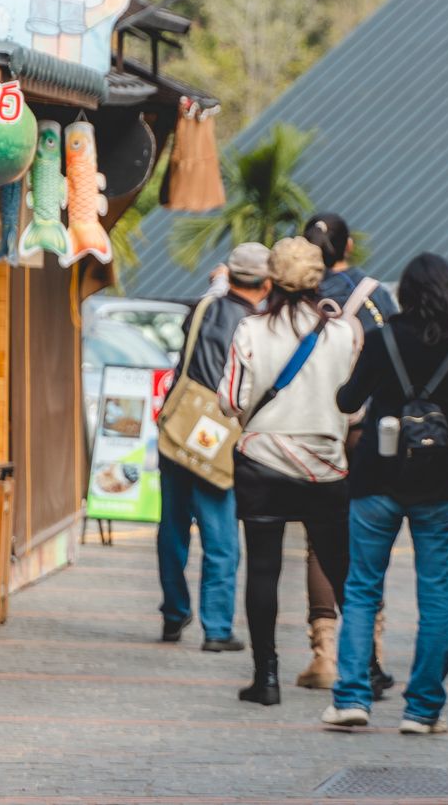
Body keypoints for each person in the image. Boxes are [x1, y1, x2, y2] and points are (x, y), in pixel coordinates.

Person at [321, 253, 448, 734]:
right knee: (434, 595)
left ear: (407, 294)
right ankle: (423, 709)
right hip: (438, 483)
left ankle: (351, 698)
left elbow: (348, 401)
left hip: (376, 477)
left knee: (362, 589)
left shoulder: (381, 338)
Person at [219, 236, 360, 706]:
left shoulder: (251, 330)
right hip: (325, 467)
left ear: (271, 278)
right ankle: (364, 672)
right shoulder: (344, 333)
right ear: (317, 279)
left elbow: (232, 400)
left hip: (263, 463)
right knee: (341, 571)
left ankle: (267, 679)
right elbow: (354, 408)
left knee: (262, 571)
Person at [296, 212, 398, 694]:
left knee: (320, 540)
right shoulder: (374, 294)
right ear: (349, 246)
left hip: (312, 430)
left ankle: (324, 655)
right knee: (367, 540)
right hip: (366, 433)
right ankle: (371, 651)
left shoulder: (295, 296)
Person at [157, 242, 268, 652]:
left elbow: (217, 294)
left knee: (172, 528)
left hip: (179, 428)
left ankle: (173, 614)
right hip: (219, 439)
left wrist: (220, 281)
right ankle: (217, 628)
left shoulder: (201, 308)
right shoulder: (256, 325)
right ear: (268, 282)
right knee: (220, 536)